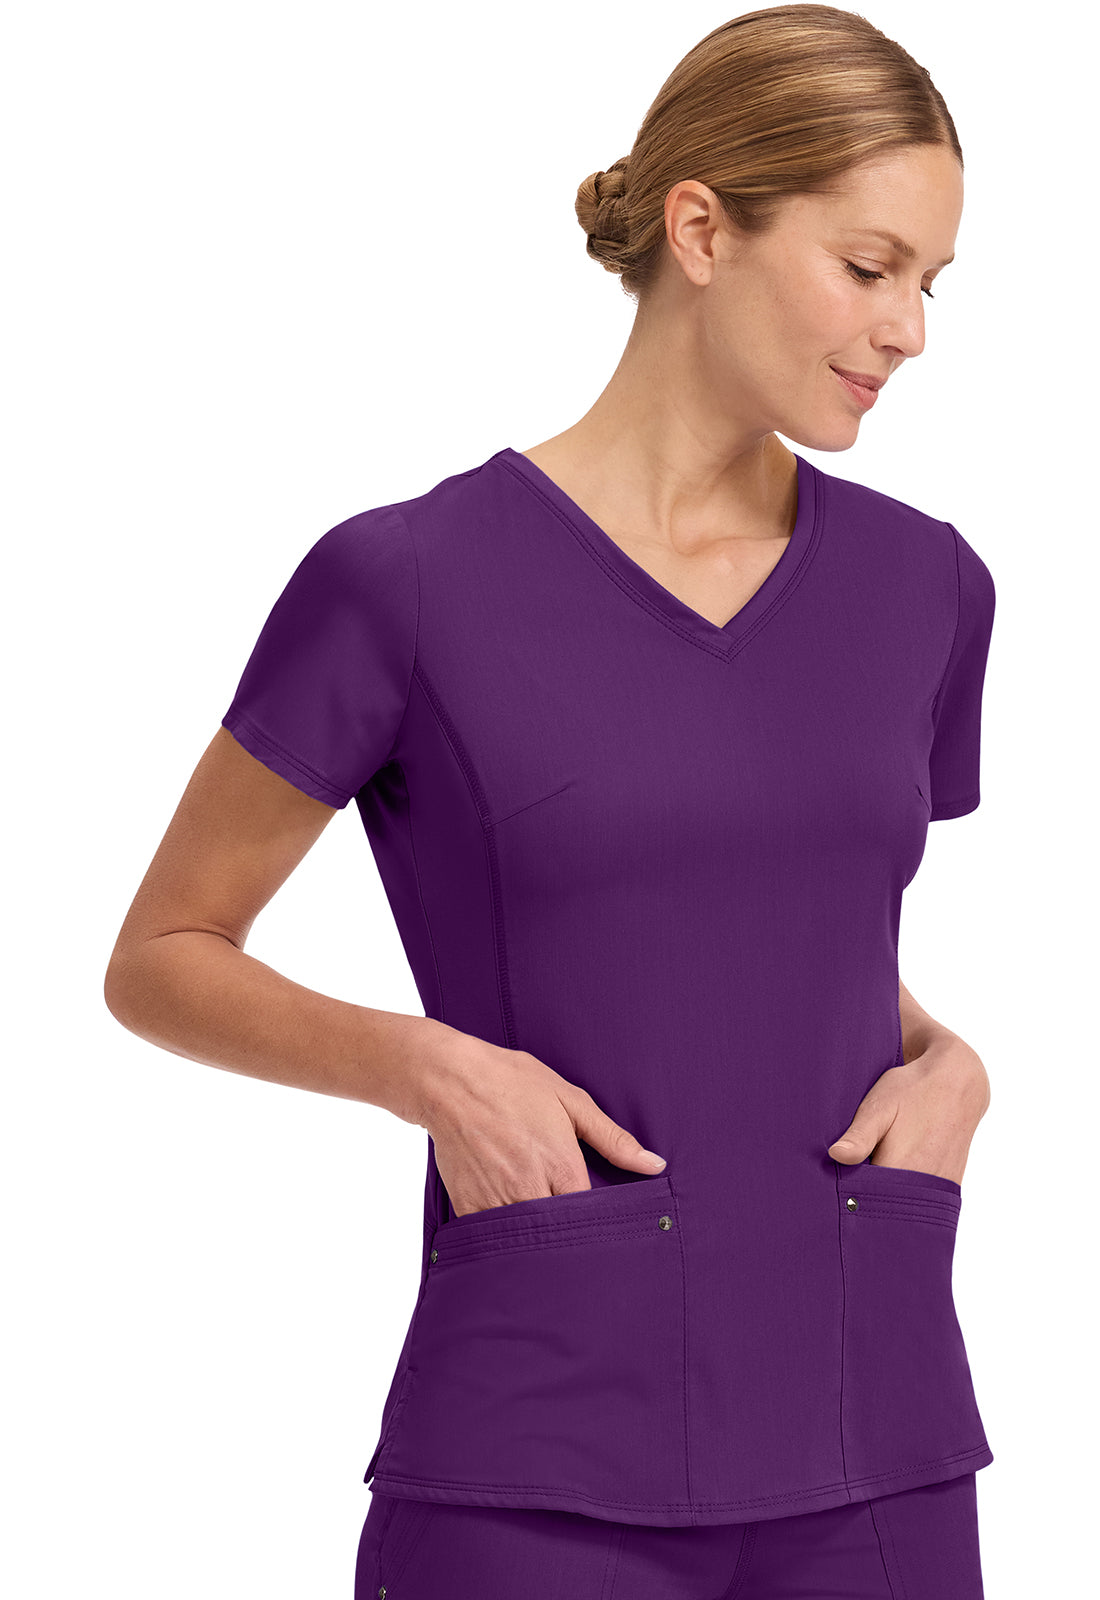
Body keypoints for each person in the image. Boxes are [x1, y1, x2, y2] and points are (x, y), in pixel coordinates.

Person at [104, 5, 998, 1597]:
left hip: (880, 1441)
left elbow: (782, 928)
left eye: (933, 282)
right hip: (538, 1465)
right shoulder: (408, 582)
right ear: (701, 230)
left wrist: (952, 1061)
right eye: (871, 269)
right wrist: (430, 1071)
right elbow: (162, 955)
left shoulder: (926, 587)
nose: (911, 329)